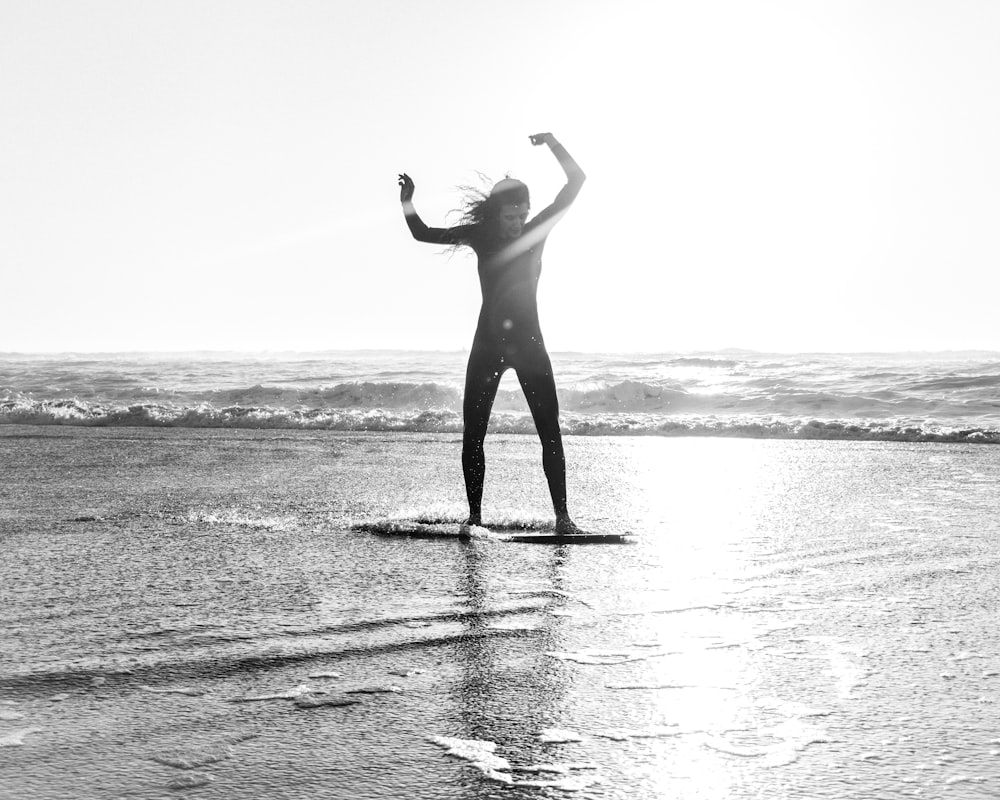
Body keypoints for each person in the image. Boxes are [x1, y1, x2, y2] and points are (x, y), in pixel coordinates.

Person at [398, 132, 586, 534]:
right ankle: (475, 518)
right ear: (495, 215)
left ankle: (563, 518)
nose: (518, 223)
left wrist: (553, 143)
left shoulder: (538, 230)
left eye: (522, 215)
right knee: (474, 435)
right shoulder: (480, 238)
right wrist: (408, 201)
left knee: (550, 432)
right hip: (488, 346)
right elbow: (423, 233)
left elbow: (577, 182)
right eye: (510, 217)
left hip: (530, 347)